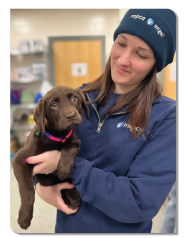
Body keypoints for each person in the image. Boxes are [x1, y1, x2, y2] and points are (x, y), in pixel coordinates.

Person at [27, 8, 176, 233]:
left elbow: (139, 203)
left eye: (141, 54)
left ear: (156, 64)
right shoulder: (77, 97)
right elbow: (38, 144)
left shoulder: (167, 117)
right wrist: (40, 185)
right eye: (121, 43)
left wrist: (68, 164)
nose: (123, 60)